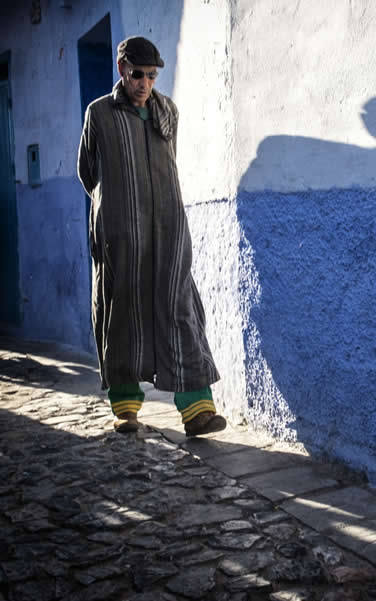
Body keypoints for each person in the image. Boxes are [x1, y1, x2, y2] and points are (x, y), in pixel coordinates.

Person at [77, 36, 226, 436]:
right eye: (138, 74)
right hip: (122, 234)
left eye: (152, 76)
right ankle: (125, 408)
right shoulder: (100, 115)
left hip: (168, 229)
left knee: (180, 309)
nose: (144, 83)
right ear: (121, 68)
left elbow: (169, 162)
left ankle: (197, 410)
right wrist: (117, 210)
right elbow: (88, 172)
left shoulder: (168, 112)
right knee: (123, 311)